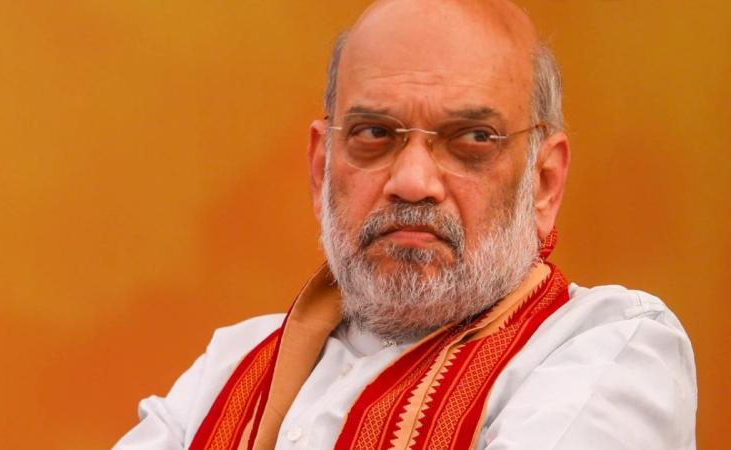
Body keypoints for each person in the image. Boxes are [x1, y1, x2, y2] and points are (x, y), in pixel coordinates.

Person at [113, 0, 697, 448]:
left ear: (543, 183)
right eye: (374, 134)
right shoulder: (227, 370)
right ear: (321, 169)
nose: (413, 181)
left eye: (473, 138)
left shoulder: (612, 347)